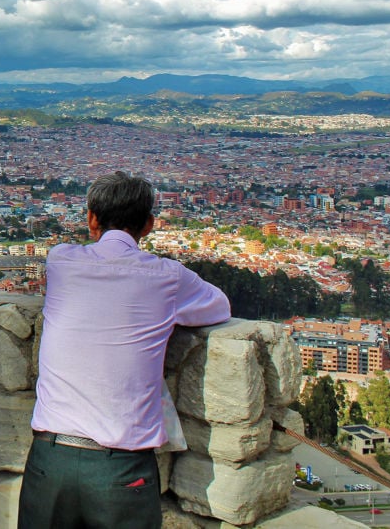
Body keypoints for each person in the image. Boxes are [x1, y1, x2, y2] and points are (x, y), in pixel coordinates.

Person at [17, 171, 231, 529]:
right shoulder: (167, 277)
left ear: (91, 219)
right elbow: (219, 307)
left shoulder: (60, 261)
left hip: (49, 458)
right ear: (148, 224)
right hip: (122, 467)